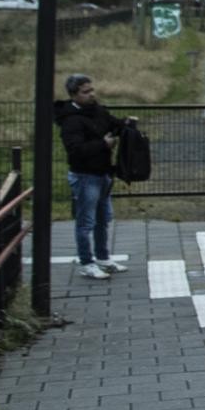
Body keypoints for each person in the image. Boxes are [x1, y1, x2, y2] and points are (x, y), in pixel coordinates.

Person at [52, 73, 134, 278]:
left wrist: (126, 124)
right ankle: (86, 261)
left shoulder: (97, 111)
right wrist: (103, 144)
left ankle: (102, 257)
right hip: (85, 175)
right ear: (73, 95)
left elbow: (113, 123)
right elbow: (75, 150)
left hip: (102, 173)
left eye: (91, 90)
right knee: (86, 221)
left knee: (102, 219)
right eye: (85, 92)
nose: (91, 94)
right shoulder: (71, 121)